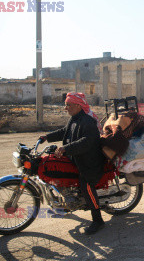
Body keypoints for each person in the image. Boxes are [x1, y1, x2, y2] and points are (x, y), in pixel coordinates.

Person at [39, 92, 106, 235]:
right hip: (76, 158)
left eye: (68, 105)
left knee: (86, 185)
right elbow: (65, 132)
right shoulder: (75, 119)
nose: (66, 108)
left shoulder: (88, 122)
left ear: (77, 105)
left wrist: (65, 148)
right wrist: (47, 137)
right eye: (66, 105)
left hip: (89, 163)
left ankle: (98, 220)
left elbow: (86, 142)